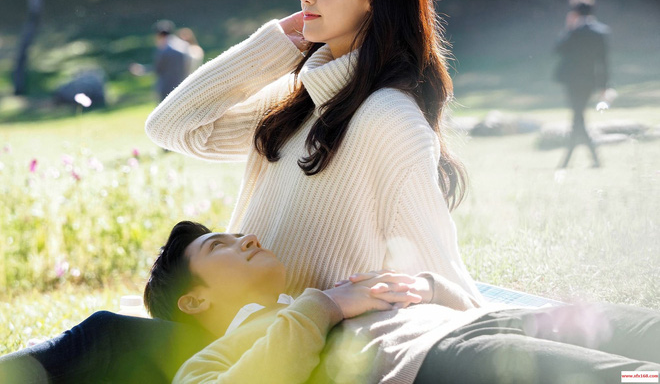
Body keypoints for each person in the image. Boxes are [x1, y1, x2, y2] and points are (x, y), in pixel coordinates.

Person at [145, 0, 482, 303]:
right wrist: (270, 48)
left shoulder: (389, 118)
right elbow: (169, 126)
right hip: (243, 328)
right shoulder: (298, 98)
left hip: (312, 336)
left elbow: (441, 273)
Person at [4, 221, 658, 383]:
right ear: (196, 300)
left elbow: (463, 300)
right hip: (436, 359)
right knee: (622, 377)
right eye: (222, 245)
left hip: (485, 320)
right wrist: (322, 307)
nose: (247, 237)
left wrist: (427, 287)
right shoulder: (221, 353)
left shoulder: (323, 290)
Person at [554, 0, 610, 168]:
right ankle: (583, 159)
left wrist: (568, 28)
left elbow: (558, 49)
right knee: (578, 117)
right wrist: (603, 86)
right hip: (588, 81)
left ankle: (570, 160)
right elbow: (603, 61)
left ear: (575, 12)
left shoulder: (574, 31)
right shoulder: (600, 31)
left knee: (577, 117)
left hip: (571, 81)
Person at [153, 19, 191, 102]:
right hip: (182, 85)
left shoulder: (164, 49)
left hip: (166, 87)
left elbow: (158, 69)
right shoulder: (184, 45)